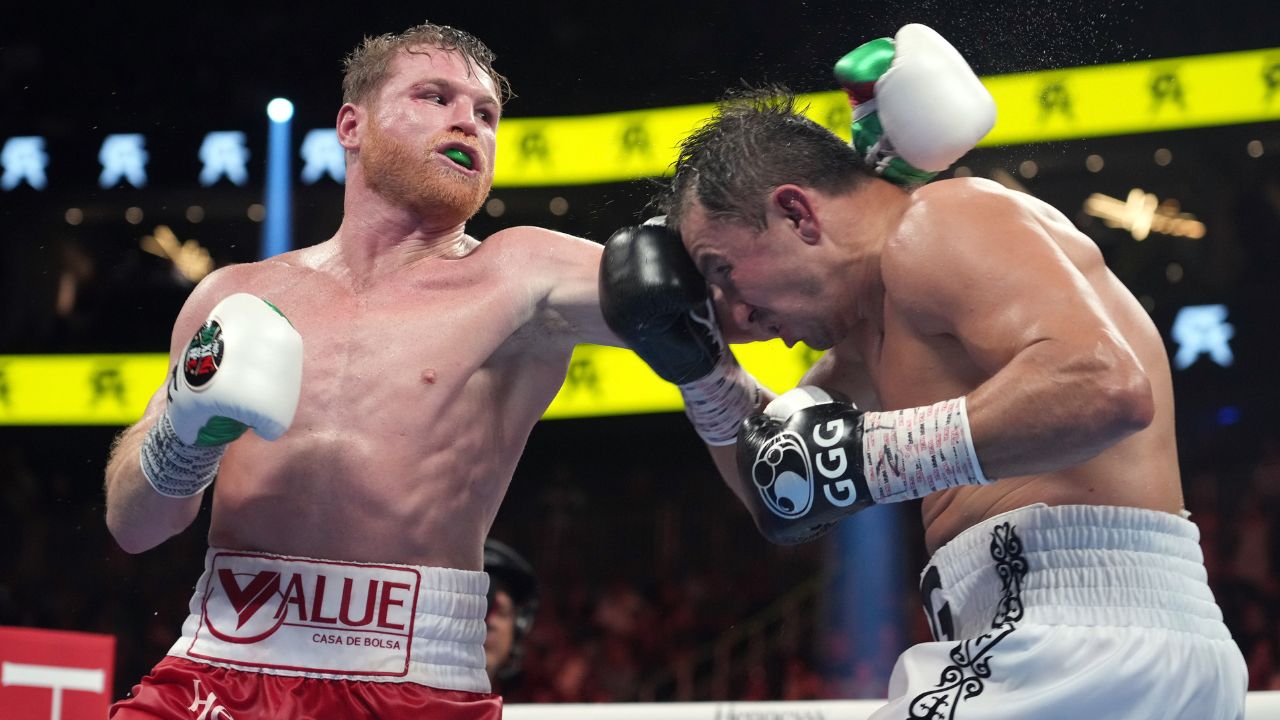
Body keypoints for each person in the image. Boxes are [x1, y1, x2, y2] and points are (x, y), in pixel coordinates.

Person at [598, 31, 1250, 720]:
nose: (736, 314)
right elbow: (781, 495)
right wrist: (702, 373)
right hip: (1051, 640)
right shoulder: (871, 337)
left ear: (796, 212)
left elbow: (1104, 387)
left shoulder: (942, 220)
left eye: (723, 271)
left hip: (1086, 635)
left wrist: (873, 457)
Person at [104, 22, 618, 719]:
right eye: (435, 96)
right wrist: (184, 433)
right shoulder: (234, 296)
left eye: (487, 113)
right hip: (221, 660)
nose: (468, 118)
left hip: (415, 676)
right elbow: (135, 527)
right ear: (353, 124)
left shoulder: (524, 274)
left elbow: (692, 295)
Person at [482, 538, 539, 690]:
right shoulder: (415, 704)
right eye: (476, 610)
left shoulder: (535, 705)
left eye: (501, 611)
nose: (488, 621)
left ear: (518, 627)